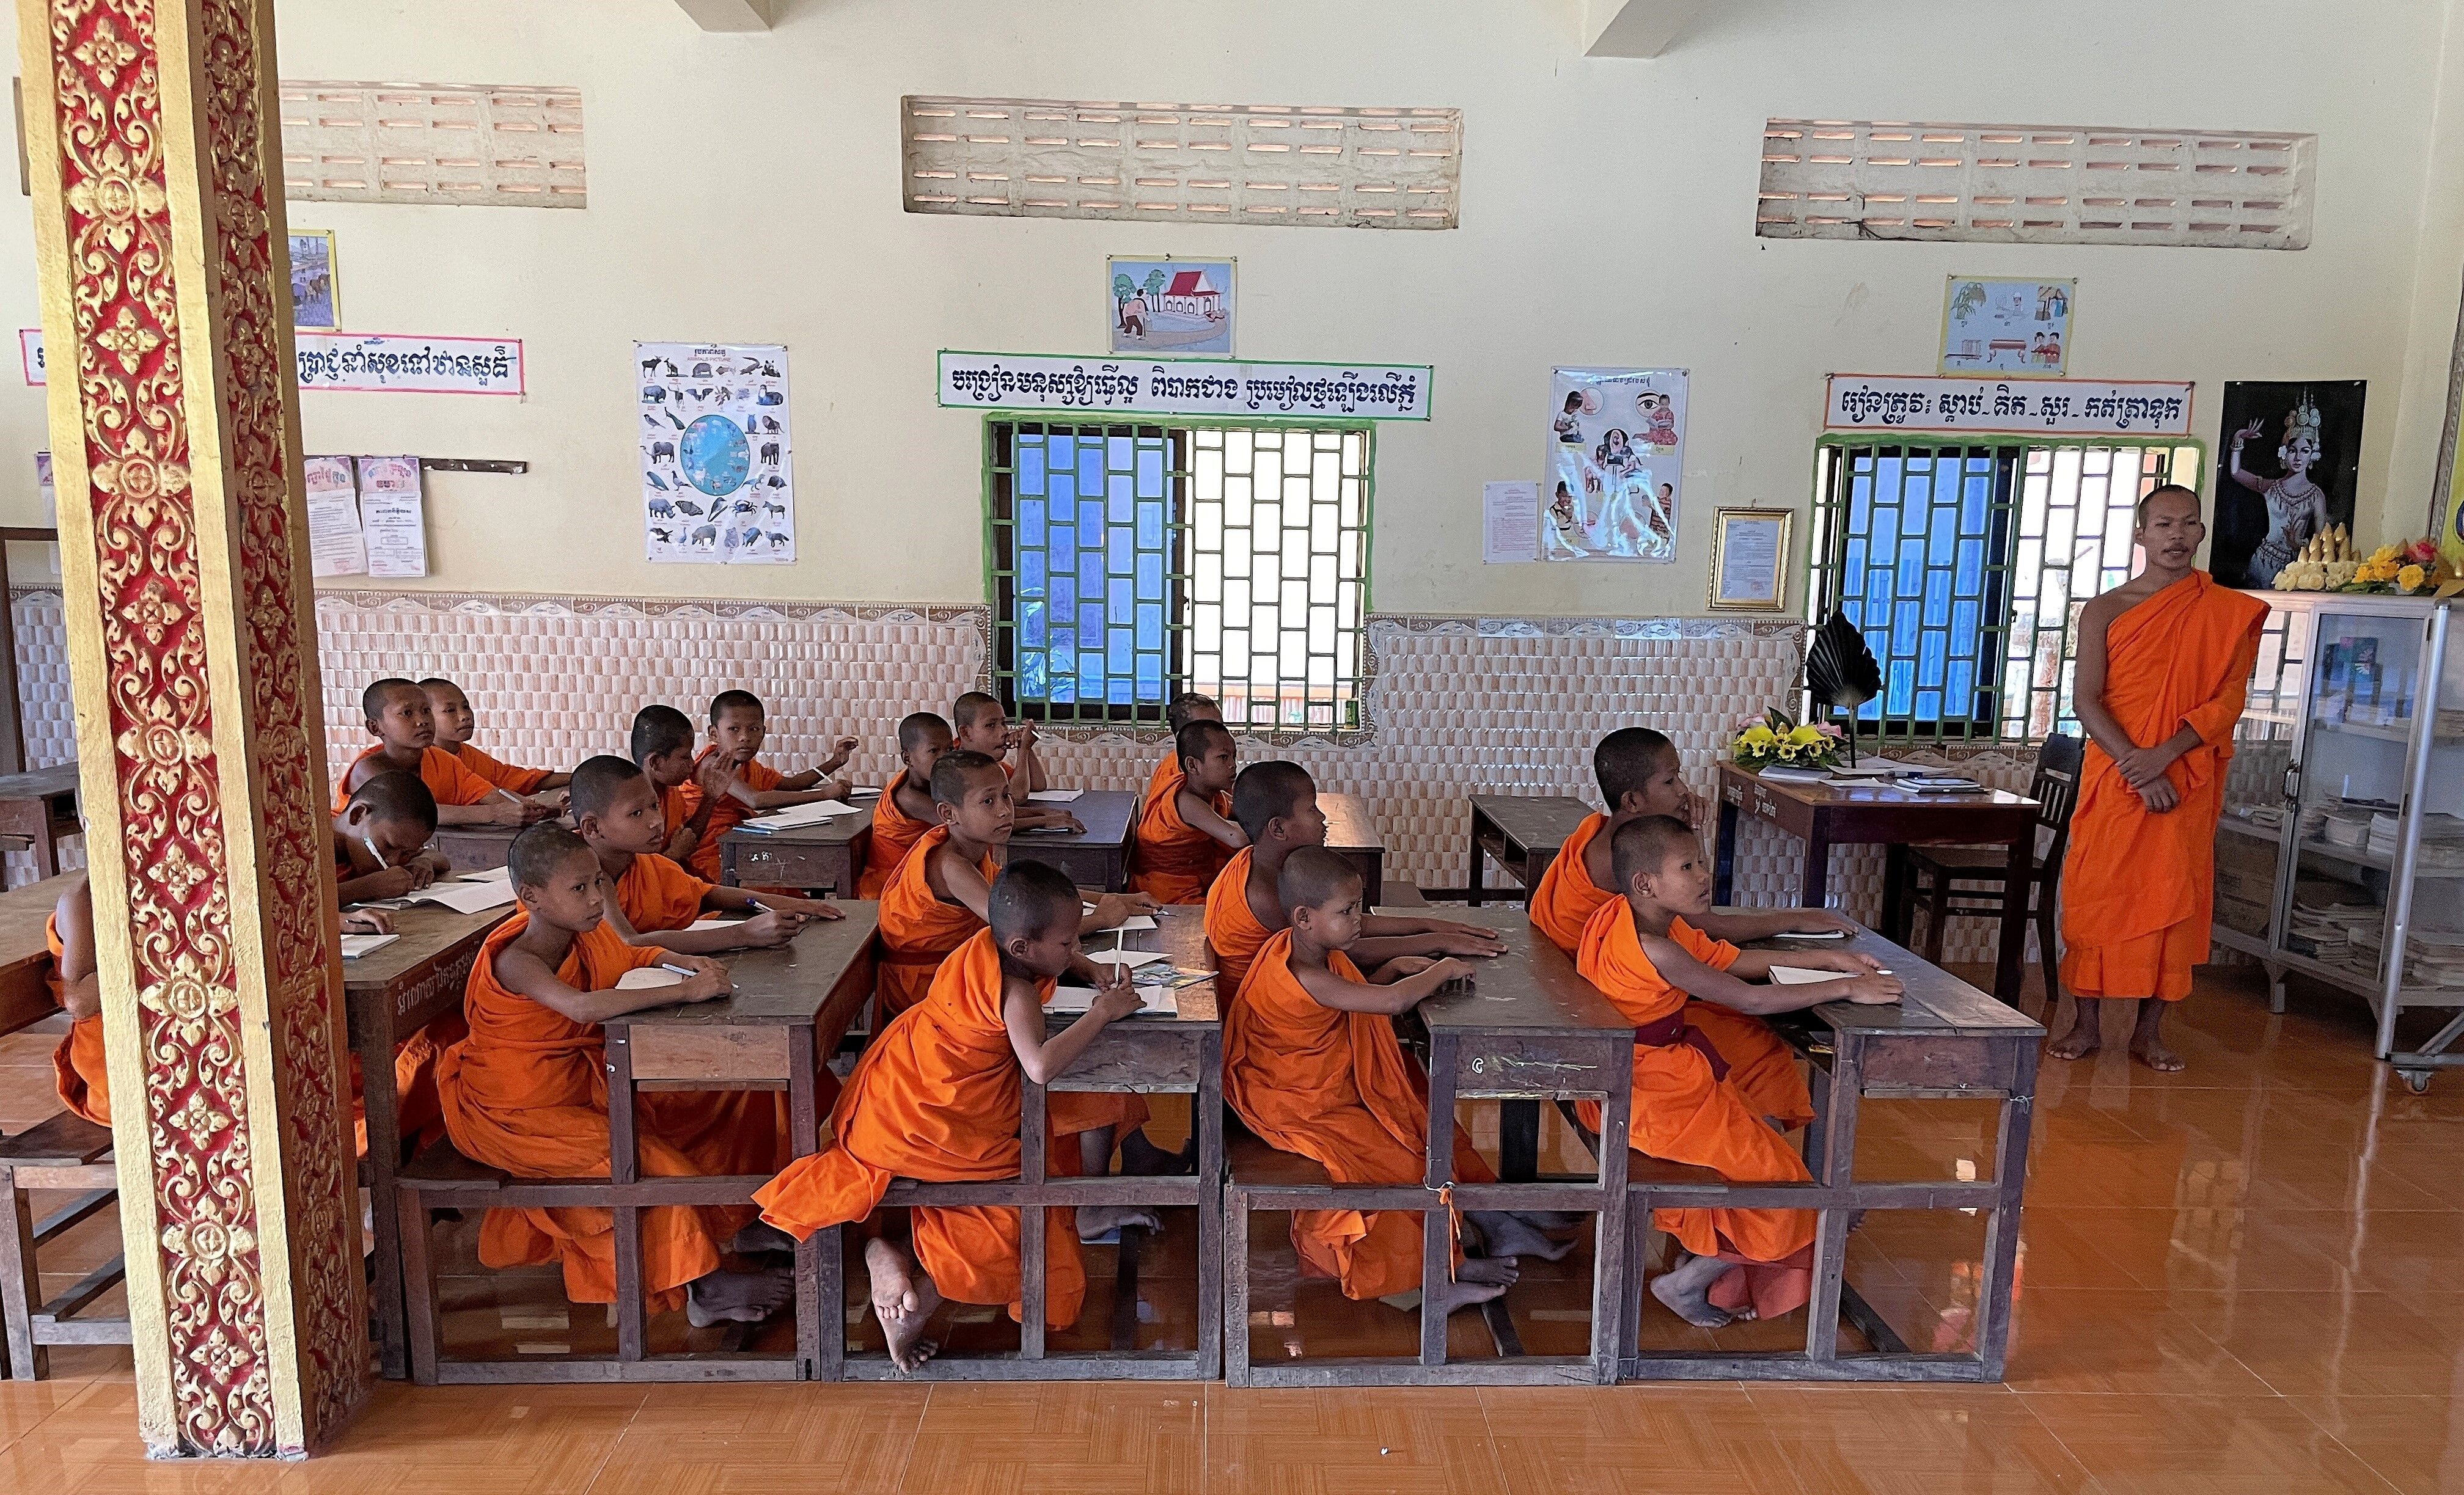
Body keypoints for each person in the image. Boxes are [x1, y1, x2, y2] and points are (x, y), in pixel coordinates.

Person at [752, 861, 1148, 1372]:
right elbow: (1040, 1065)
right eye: (1068, 943)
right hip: (932, 1126)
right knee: (1022, 1206)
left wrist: (1086, 969)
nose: (1074, 949)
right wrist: (1102, 1012)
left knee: (1032, 1163)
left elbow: (1038, 972)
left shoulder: (982, 947)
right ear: (1022, 947)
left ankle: (889, 1252)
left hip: (894, 1100)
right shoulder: (1018, 992)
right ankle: (913, 1294)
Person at [434, 825, 793, 1327]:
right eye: (579, 888)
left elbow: (634, 955)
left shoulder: (587, 934)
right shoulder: (518, 960)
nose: (596, 899)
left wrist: (682, 962)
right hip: (515, 1114)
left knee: (731, 1093)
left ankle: (739, 1221)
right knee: (646, 1160)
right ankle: (703, 1288)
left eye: (598, 883)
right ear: (532, 897)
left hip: (586, 1086)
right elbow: (581, 1007)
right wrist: (684, 992)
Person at [1577, 816, 1899, 1328]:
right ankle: (1686, 1282)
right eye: (1688, 866)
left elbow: (1729, 960)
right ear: (1645, 883)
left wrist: (1832, 959)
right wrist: (1845, 987)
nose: (1704, 875)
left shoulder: (1629, 917)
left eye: (1701, 861)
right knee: (1781, 1186)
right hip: (1649, 1098)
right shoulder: (1657, 948)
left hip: (1638, 1080)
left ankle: (1719, 1244)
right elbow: (1750, 998)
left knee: (1759, 1110)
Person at [1230, 847, 1562, 1314]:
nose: (1358, 921)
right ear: (1304, 917)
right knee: (1400, 1165)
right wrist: (1441, 966)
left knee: (1423, 1114)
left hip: (1325, 1086)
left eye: (1358, 907)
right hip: (1298, 1105)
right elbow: (1388, 1004)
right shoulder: (1302, 972)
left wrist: (1392, 970)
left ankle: (1480, 1226)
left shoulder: (1308, 951)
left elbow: (1353, 999)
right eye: (1347, 912)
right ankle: (1427, 1282)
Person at [1529, 728, 1849, 1127]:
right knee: (1747, 1033)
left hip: (1612, 997)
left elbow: (1697, 910)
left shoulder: (1607, 833)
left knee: (1746, 1029)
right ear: (1632, 801)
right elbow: (1708, 922)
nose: (1683, 791)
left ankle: (1750, 1125)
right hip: (1600, 1013)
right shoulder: (1627, 872)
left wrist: (1688, 830)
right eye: (1670, 781)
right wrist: (1795, 919)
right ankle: (1744, 1129)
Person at [2055, 484, 2268, 1071]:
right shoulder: (2106, 609)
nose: (2176, 534)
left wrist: (2165, 755)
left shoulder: (2225, 612)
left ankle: (2149, 1032)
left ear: (2201, 532)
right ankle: (2085, 1023)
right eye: (2164, 524)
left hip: (2184, 776)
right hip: (2116, 776)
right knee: (2097, 895)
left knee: (2173, 899)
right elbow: (2086, 700)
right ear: (2141, 534)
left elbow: (2228, 702)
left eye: (2188, 523)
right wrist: (2136, 764)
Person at [1204, 761, 1505, 998]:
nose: (1322, 818)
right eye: (1311, 809)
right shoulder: (1265, 895)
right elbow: (1346, 946)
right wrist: (1436, 942)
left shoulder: (1259, 861)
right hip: (1268, 1015)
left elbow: (1351, 922)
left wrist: (1428, 924)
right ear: (1278, 829)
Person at [569, 754, 842, 955]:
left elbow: (704, 893)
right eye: (637, 813)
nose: (656, 821)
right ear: (592, 827)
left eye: (654, 806)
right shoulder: (581, 876)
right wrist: (743, 934)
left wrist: (790, 904)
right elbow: (628, 942)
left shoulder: (644, 863)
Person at [673, 690, 857, 882]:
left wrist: (834, 762)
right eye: (734, 729)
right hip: (711, 855)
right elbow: (755, 800)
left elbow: (791, 784)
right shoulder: (713, 765)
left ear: (763, 732)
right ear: (714, 734)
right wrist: (824, 795)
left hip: (741, 846)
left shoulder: (746, 765)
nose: (744, 737)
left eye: (753, 729)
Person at [334, 678, 554, 826]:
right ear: (375, 727)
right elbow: (416, 814)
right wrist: (495, 814)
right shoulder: (369, 769)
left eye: (426, 711)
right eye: (407, 713)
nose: (422, 721)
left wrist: (533, 809)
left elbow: (488, 793)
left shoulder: (441, 760)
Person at [1130, 718, 1244, 904]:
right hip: (1169, 893)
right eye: (1224, 757)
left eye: (1234, 757)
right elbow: (1235, 838)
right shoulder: (1187, 801)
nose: (1233, 765)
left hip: (1195, 881)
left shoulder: (1212, 794)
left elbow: (1235, 814)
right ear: (1192, 765)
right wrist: (1272, 829)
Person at [2231, 395, 2333, 587]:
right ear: (2284, 453)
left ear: (2312, 455)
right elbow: (2236, 473)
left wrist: (2300, 544)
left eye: (2305, 451)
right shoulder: (2271, 487)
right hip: (2262, 561)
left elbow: (2322, 543)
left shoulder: (2316, 496)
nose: (2298, 457)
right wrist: (2238, 440)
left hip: (2295, 567)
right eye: (2293, 451)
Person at [950, 692, 1080, 832]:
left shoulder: (988, 764)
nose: (1003, 732)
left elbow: (1038, 785)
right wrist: (1043, 819)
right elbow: (1016, 797)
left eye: (1003, 723)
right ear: (966, 733)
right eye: (991, 725)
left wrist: (1025, 746)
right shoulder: (957, 767)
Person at [420, 677, 571, 795]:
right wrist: (496, 812)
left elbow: (515, 780)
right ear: (426, 715)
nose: (465, 716)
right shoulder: (423, 761)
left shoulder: (470, 757)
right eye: (450, 710)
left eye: (466, 707)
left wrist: (579, 778)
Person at [859, 713, 952, 899]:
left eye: (949, 750)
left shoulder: (931, 784)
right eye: (934, 751)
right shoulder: (908, 797)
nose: (945, 759)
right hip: (888, 889)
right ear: (908, 758)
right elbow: (966, 822)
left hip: (915, 878)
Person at [331, 769, 454, 907]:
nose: (394, 862)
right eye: (388, 845)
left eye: (407, 853)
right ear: (357, 815)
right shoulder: (313, 846)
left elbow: (439, 858)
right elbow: (311, 904)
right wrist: (368, 888)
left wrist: (423, 862)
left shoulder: (393, 844)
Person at [628, 704, 711, 869]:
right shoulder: (631, 805)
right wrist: (674, 854)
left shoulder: (671, 792)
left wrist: (711, 796)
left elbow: (687, 839)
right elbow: (635, 871)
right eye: (685, 757)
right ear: (656, 763)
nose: (692, 764)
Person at [1147, 693, 1223, 803]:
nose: (1220, 735)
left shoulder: (1213, 763)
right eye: (1208, 730)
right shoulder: (1175, 778)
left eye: (1220, 727)